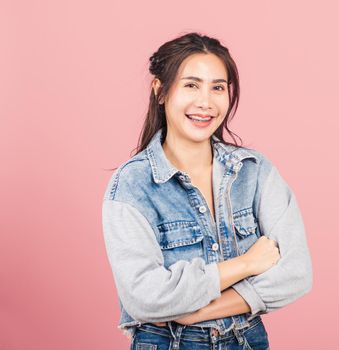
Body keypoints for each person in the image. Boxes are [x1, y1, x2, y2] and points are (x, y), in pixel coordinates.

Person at [101, 32, 313, 350]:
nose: (206, 102)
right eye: (191, 85)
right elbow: (144, 297)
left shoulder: (254, 171)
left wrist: (199, 310)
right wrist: (245, 265)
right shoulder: (133, 184)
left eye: (217, 87)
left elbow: (296, 274)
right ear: (160, 91)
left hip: (247, 339)